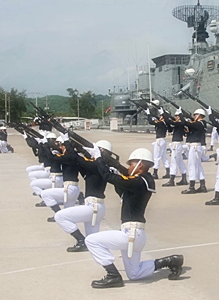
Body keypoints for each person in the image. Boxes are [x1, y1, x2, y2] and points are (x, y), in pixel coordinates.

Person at [83, 147, 184, 288]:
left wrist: (99, 158)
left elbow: (108, 178)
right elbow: (121, 189)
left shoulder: (139, 181)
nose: (128, 167)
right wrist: (111, 166)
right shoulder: (143, 181)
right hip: (135, 235)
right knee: (134, 274)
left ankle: (113, 275)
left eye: (131, 164)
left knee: (91, 240)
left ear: (140, 165)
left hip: (130, 234)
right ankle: (170, 261)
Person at [54, 139, 110, 252]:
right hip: (96, 207)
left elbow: (76, 159)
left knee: (60, 217)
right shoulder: (100, 166)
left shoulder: (96, 166)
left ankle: (80, 240)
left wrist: (67, 143)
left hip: (93, 207)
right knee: (93, 243)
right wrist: (80, 149)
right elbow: (80, 162)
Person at [41, 135, 80, 222]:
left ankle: (58, 214)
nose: (59, 147)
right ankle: (60, 216)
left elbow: (51, 157)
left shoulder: (69, 157)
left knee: (45, 194)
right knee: (68, 214)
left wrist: (46, 144)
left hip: (69, 189)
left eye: (60, 145)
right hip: (73, 188)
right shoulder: (73, 156)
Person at [180, 108, 208, 194]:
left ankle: (191, 186)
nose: (194, 116)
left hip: (195, 147)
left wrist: (182, 116)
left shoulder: (200, 123)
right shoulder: (200, 124)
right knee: (198, 166)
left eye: (195, 114)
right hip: (196, 146)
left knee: (192, 166)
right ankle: (202, 185)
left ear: (199, 115)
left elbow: (187, 123)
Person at [162, 110, 188, 187]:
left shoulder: (180, 124)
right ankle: (184, 178)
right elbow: (170, 129)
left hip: (177, 144)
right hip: (176, 144)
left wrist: (164, 114)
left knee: (174, 162)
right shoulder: (178, 124)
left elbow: (172, 123)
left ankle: (171, 180)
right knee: (180, 162)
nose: (175, 117)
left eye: (177, 116)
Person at [146, 105, 170, 179]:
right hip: (162, 140)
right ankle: (168, 172)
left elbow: (151, 122)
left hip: (159, 141)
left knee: (156, 157)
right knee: (164, 157)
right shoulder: (164, 123)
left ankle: (155, 173)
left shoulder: (161, 123)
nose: (160, 116)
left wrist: (148, 114)